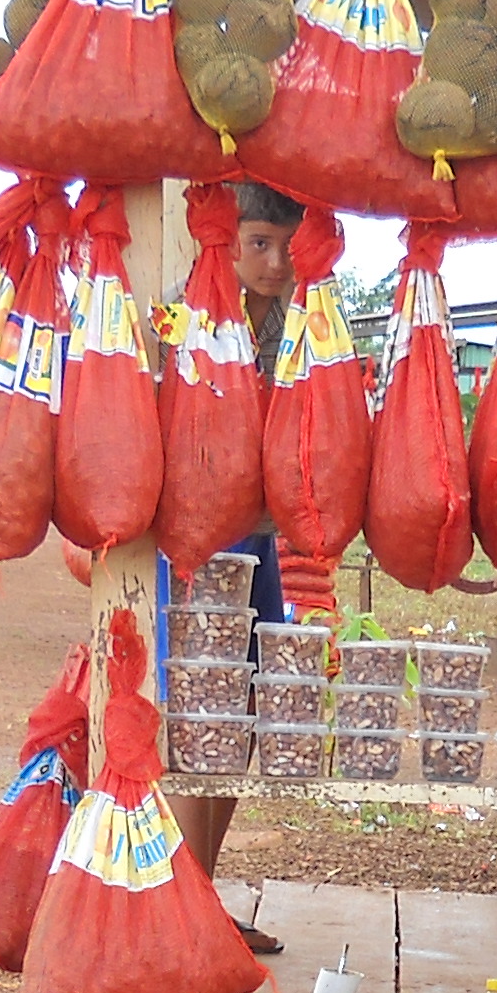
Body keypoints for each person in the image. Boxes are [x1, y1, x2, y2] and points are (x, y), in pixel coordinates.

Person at [175, 181, 307, 947]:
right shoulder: (181, 312)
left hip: (256, 539)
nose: (275, 260)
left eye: (286, 245)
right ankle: (188, 911)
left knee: (248, 720)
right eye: (259, 242)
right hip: (200, 544)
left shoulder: (296, 326)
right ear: (222, 242)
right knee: (205, 725)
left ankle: (202, 896)